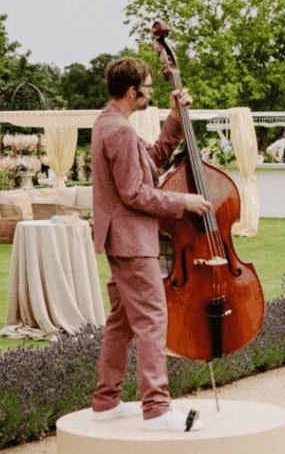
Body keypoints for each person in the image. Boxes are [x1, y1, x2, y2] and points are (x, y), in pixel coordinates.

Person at [89, 57, 214, 432]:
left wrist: (175, 116)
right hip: (132, 240)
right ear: (133, 91)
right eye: (148, 86)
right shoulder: (120, 131)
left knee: (122, 322)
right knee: (151, 320)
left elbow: (156, 157)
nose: (151, 91)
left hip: (122, 238)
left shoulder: (108, 122)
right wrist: (184, 202)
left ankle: (106, 401)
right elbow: (134, 193)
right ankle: (157, 410)